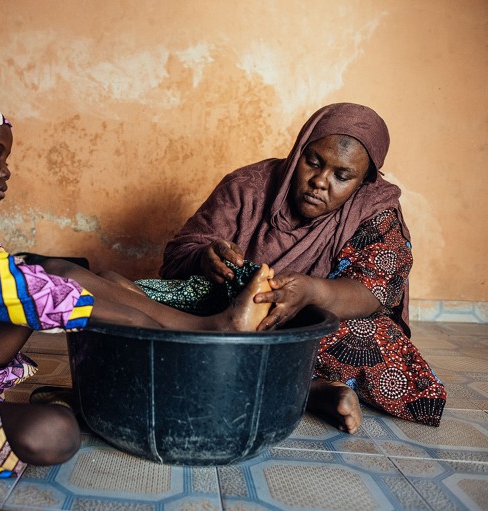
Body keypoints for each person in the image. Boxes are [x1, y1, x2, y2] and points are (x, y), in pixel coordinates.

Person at [0, 90, 275, 478]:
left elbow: (9, 279)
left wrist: (105, 298)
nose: (6, 171)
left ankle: (205, 329)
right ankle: (195, 332)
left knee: (65, 272)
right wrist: (124, 315)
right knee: (55, 431)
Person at [157, 103, 447, 434]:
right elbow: (179, 256)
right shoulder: (247, 186)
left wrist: (310, 292)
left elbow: (373, 292)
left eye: (342, 176)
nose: (320, 182)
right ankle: (308, 390)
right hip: (226, 312)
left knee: (370, 340)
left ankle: (254, 372)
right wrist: (203, 258)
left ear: (365, 180)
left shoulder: (375, 210)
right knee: (144, 304)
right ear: (299, 151)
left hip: (306, 320)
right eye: (313, 162)